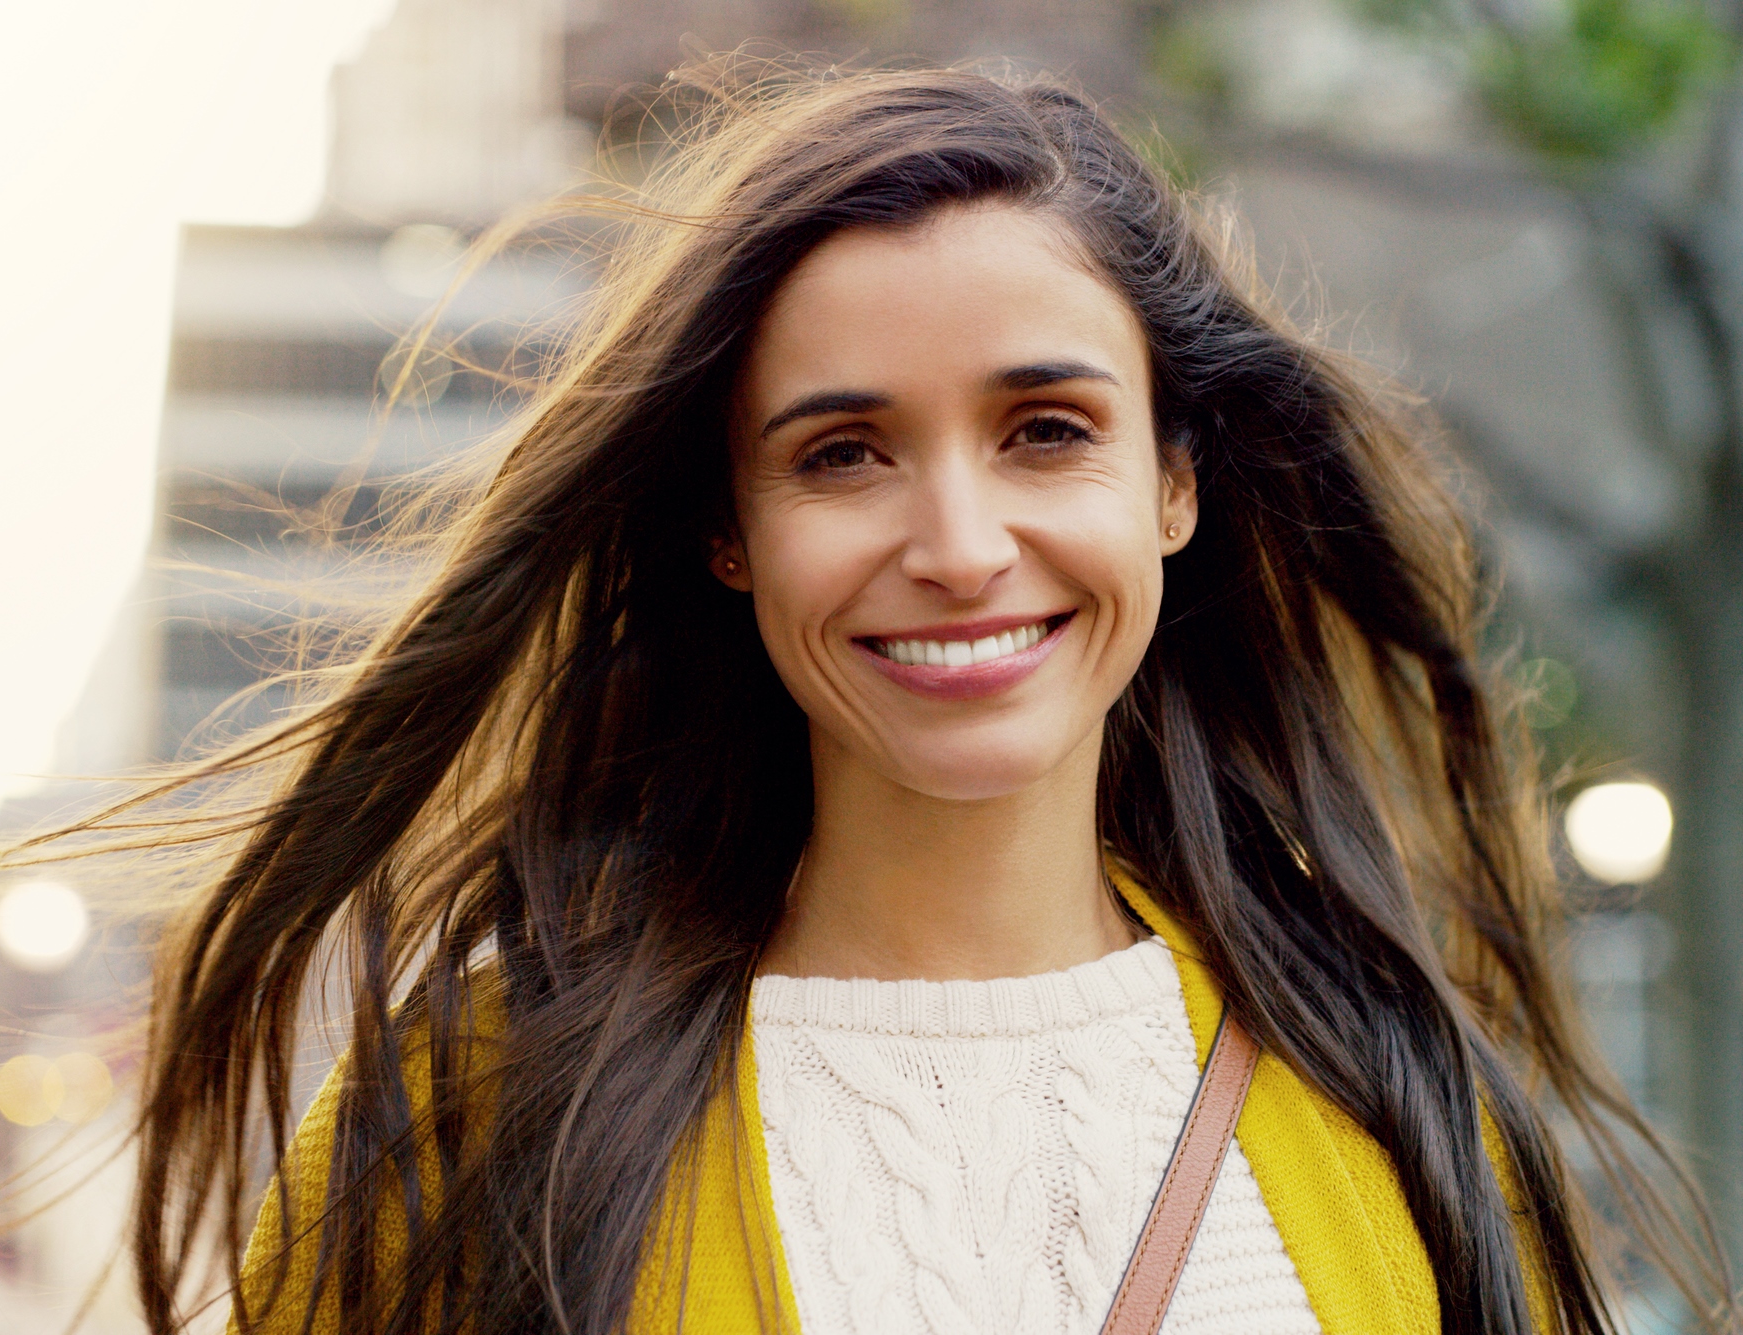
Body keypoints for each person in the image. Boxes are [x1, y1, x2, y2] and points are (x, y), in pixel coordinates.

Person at [127, 64, 1724, 1335]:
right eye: (843, 454)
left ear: (1175, 482)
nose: (961, 549)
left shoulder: (1387, 1087)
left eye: (1046, 430)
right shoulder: (477, 1111)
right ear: (729, 536)